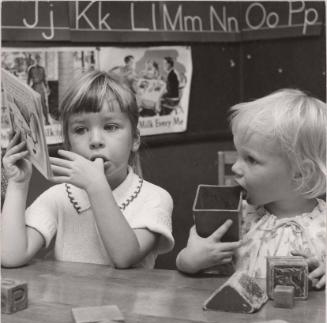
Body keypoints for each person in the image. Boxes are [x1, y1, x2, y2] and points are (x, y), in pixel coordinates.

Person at [2, 70, 174, 269]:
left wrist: (96, 187)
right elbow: (11, 256)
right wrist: (17, 184)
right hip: (72, 300)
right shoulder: (58, 197)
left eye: (110, 127)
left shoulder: (155, 197)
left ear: (135, 139)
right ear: (68, 145)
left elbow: (125, 257)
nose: (95, 141)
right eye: (80, 130)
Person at [176, 89, 326, 289]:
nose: (236, 168)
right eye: (238, 155)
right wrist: (191, 260)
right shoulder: (236, 218)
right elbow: (186, 264)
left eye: (251, 159)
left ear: (300, 172)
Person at [27, 53, 50, 125]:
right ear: (34, 60)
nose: (38, 60)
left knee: (44, 104)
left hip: (41, 87)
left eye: (39, 59)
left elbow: (45, 79)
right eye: (36, 59)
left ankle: (47, 120)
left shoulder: (42, 69)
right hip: (34, 87)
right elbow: (28, 80)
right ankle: (34, 122)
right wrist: (27, 89)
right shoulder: (31, 69)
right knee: (34, 104)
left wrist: (47, 88)